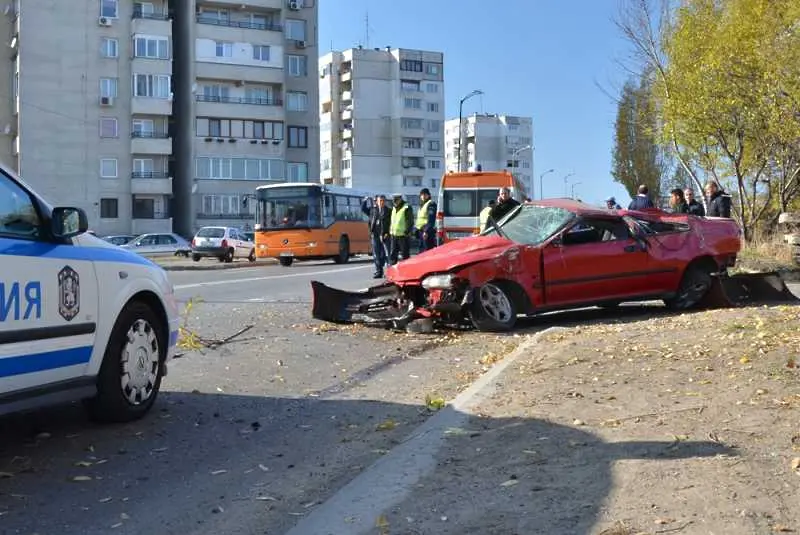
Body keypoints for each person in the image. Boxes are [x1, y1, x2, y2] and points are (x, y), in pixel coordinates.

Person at [361, 194, 391, 278]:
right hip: (375, 235)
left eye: (383, 201)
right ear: (377, 202)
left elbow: (390, 223)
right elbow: (363, 209)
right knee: (376, 254)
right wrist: (364, 201)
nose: (381, 202)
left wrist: (387, 233)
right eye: (380, 201)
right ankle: (378, 271)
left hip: (384, 235)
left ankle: (388, 271)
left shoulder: (389, 211)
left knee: (385, 254)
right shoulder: (373, 210)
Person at [389, 193, 413, 265]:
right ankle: (393, 272)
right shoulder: (394, 208)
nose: (394, 202)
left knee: (405, 255)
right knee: (392, 255)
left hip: (403, 236)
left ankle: (407, 272)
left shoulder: (406, 207)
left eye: (396, 200)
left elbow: (410, 221)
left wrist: (407, 232)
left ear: (400, 199)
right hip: (394, 235)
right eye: (393, 201)